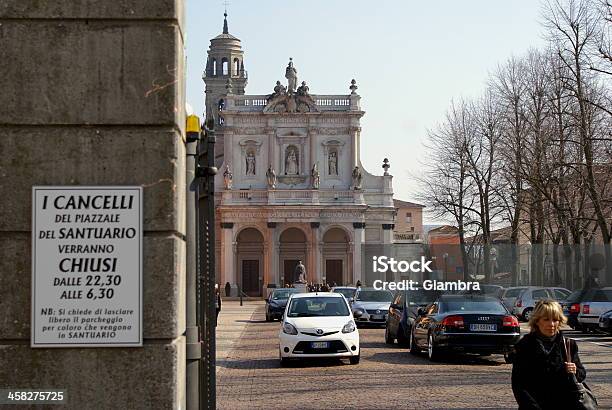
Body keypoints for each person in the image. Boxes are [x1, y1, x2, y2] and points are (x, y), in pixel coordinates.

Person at [511, 299, 587, 409]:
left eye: (555, 320)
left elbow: (581, 375)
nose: (551, 324)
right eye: (546, 319)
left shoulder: (568, 345)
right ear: (537, 321)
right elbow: (519, 384)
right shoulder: (524, 346)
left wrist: (575, 371)